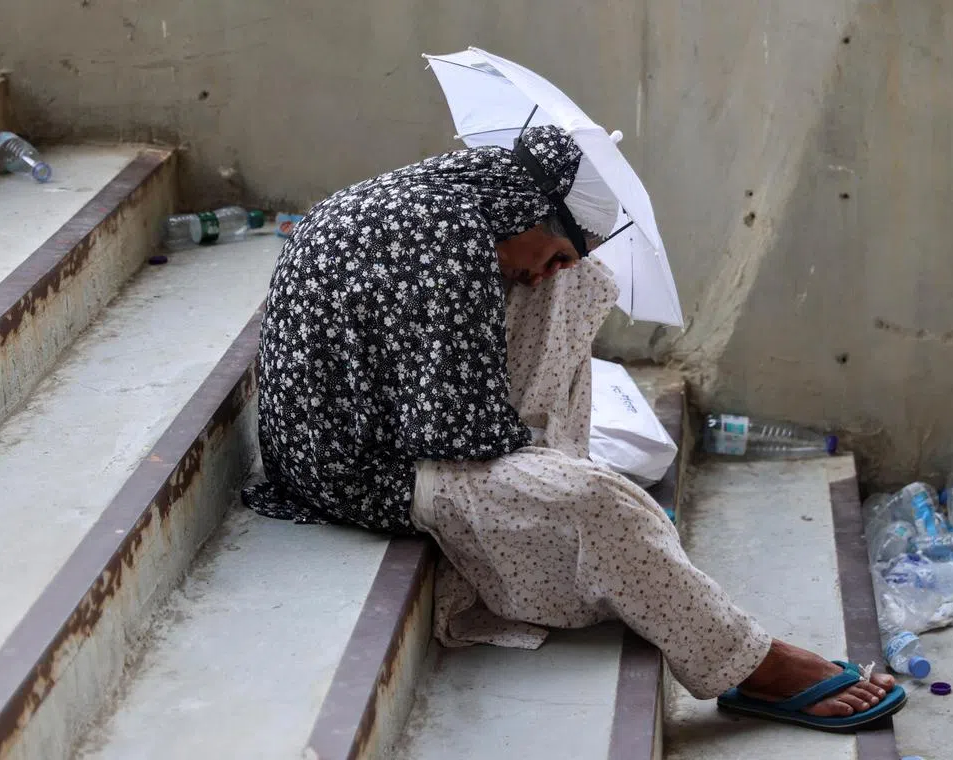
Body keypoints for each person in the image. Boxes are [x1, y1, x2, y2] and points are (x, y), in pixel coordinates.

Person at [243, 125, 905, 729]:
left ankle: (558, 490)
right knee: (598, 503)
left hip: (363, 430)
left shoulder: (447, 201)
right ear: (531, 211)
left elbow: (445, 392)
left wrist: (547, 290)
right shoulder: (445, 251)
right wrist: (541, 475)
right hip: (356, 474)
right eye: (556, 248)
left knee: (580, 284)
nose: (550, 267)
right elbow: (450, 438)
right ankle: (752, 666)